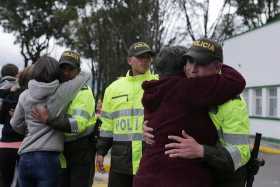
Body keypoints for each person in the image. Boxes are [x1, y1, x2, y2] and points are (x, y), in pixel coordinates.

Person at [133, 44, 246, 187]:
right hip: (180, 179)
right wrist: (219, 65)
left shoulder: (151, 91)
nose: (193, 69)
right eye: (189, 62)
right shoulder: (188, 88)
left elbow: (240, 153)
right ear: (182, 68)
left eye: (201, 63)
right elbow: (237, 81)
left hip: (144, 177)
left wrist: (202, 151)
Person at [10, 56, 90, 187]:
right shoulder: (60, 93)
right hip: (48, 158)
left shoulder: (25, 95)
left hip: (25, 155)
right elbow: (85, 75)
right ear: (56, 72)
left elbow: (15, 124)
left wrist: (29, 127)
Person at [96, 42, 157, 187]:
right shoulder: (113, 89)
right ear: (129, 60)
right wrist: (101, 151)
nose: (145, 60)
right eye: (140, 57)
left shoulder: (158, 83)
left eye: (148, 57)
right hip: (120, 162)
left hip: (149, 159)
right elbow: (107, 124)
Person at [32, 51, 96, 187]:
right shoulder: (57, 88)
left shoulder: (83, 92)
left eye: (70, 69)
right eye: (63, 68)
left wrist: (49, 120)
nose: (66, 72)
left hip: (81, 151)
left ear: (78, 71)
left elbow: (78, 125)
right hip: (61, 150)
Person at [0, 64, 26, 187]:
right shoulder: (24, 93)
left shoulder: (3, 92)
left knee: (4, 182)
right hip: (23, 145)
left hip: (4, 144)